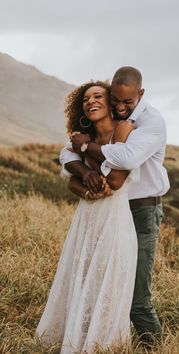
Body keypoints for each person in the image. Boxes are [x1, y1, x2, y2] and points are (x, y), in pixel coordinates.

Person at [60, 66, 170, 344]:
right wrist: (83, 175)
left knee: (135, 295)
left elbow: (124, 164)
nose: (120, 106)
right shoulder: (103, 124)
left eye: (127, 102)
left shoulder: (148, 122)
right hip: (106, 214)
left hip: (141, 209)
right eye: (116, 100)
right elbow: (66, 155)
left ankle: (153, 347)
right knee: (99, 283)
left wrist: (85, 149)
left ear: (140, 94)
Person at [36, 81, 138, 354]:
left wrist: (84, 154)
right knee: (81, 273)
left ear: (111, 102)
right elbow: (70, 180)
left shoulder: (124, 130)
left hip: (114, 219)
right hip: (86, 217)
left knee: (108, 278)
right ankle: (74, 338)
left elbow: (115, 181)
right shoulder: (80, 136)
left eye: (98, 96)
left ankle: (100, 344)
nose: (90, 101)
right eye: (85, 98)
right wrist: (85, 179)